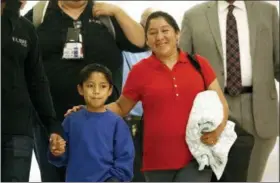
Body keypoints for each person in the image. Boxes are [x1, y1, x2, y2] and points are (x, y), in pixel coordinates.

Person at [65, 11, 230, 182]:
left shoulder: (199, 64)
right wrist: (89, 110)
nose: (159, 37)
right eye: (152, 33)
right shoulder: (140, 71)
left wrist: (217, 132)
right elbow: (121, 107)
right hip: (155, 163)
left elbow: (221, 104)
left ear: (177, 33)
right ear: (147, 39)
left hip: (197, 158)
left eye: (165, 30)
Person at [24, 0, 145, 181]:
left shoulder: (105, 15)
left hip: (103, 122)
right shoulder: (40, 13)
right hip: (50, 122)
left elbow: (140, 42)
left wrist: (118, 12)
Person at [179, 1, 279, 182]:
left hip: (260, 110)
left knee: (251, 178)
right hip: (213, 111)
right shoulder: (193, 16)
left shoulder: (268, 11)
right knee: (217, 177)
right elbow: (181, 68)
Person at [1, 0, 64, 181]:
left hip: (19, 129)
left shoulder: (26, 30)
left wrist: (52, 125)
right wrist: (11, 10)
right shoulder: (10, 21)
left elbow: (37, 81)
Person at [48, 63, 135, 182]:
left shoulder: (117, 124)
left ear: (110, 90)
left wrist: (114, 180)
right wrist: (56, 151)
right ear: (80, 89)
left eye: (103, 86)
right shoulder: (71, 120)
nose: (96, 91)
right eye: (90, 85)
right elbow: (60, 157)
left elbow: (125, 160)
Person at [122, 7, 157, 182]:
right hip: (133, 122)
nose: (157, 35)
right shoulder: (128, 53)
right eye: (150, 28)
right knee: (136, 173)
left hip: (160, 124)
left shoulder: (169, 54)